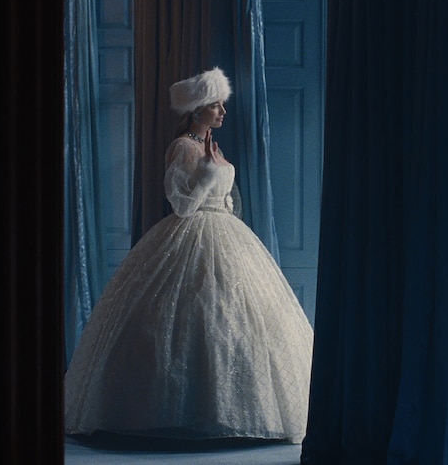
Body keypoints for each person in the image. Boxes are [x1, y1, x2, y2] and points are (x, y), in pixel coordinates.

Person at [64, 67, 314, 444]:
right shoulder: (183, 147)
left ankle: (230, 411)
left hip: (226, 235)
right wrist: (208, 176)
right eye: (216, 105)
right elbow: (181, 205)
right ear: (198, 109)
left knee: (233, 317)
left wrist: (218, 183)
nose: (223, 112)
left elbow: (229, 202)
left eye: (222, 105)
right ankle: (177, 413)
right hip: (192, 232)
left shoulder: (212, 146)